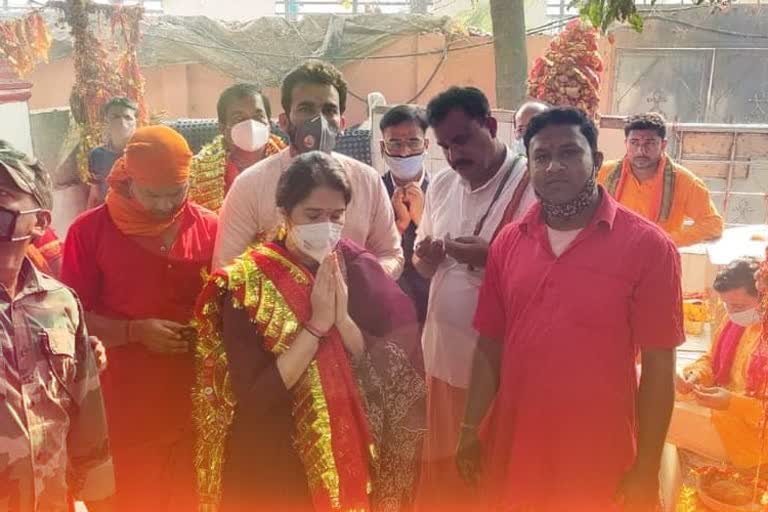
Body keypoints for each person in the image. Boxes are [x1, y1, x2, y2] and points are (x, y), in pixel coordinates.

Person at [457, 107, 684, 511]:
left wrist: (647, 468)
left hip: (598, 448)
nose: (554, 166)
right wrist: (470, 430)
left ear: (596, 160)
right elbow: (489, 345)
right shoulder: (510, 242)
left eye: (569, 153)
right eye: (541, 156)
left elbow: (659, 366)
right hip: (517, 440)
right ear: (529, 166)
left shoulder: (649, 248)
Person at [194, 151, 425, 511]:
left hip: (352, 449)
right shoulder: (245, 284)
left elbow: (388, 365)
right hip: (277, 461)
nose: (327, 226)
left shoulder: (357, 267)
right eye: (313, 216)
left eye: (336, 216)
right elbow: (255, 396)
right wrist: (316, 327)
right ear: (285, 214)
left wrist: (343, 321)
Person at [61, 126, 218, 512]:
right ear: (129, 181)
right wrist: (133, 331)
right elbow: (71, 317)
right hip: (126, 406)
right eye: (154, 195)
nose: (166, 206)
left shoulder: (211, 227)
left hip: (195, 402)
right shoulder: (89, 231)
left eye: (176, 193)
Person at [413, 86, 536, 510]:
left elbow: (547, 276)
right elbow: (424, 268)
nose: (453, 155)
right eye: (445, 146)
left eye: (462, 140)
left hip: (494, 373)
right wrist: (425, 258)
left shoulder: (532, 185)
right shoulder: (443, 184)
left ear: (489, 125)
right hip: (441, 359)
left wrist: (491, 258)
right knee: (443, 479)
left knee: (484, 481)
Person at [0, 140, 115, 512]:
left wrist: (98, 499)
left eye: (3, 194)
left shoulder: (61, 304)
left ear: (41, 222)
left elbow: (87, 412)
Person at [213, 60, 403, 277]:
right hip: (277, 308)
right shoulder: (250, 185)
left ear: (341, 124)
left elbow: (391, 255)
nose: (319, 120)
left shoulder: (368, 180)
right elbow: (225, 270)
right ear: (284, 122)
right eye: (306, 108)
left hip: (352, 308)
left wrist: (361, 281)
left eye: (329, 110)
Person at [675, 258, 766, 469]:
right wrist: (697, 375)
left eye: (738, 305)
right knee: (650, 389)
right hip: (724, 408)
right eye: (726, 303)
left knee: (656, 415)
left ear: (764, 298)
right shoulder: (736, 319)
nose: (731, 311)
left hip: (753, 436)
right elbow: (711, 358)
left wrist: (732, 403)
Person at [597, 112, 724, 247]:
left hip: (658, 258)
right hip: (612, 255)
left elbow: (713, 224)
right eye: (634, 142)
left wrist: (666, 240)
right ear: (626, 143)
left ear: (663, 145)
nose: (641, 150)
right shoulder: (604, 173)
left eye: (650, 143)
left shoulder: (684, 181)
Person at [189, 83, 287, 212]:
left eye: (258, 117)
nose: (251, 124)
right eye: (239, 118)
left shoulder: (290, 164)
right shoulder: (196, 172)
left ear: (269, 123)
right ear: (223, 128)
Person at [380, 104, 431, 321]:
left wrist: (423, 221)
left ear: (426, 144)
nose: (404, 152)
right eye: (395, 143)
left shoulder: (444, 191)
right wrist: (397, 225)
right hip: (386, 308)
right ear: (383, 147)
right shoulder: (373, 191)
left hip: (433, 308)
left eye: (413, 142)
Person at [87, 96, 138, 209]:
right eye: (115, 117)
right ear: (107, 122)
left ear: (136, 123)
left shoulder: (144, 153)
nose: (122, 122)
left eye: (128, 117)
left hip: (139, 219)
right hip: (109, 217)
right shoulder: (96, 155)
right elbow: (95, 194)